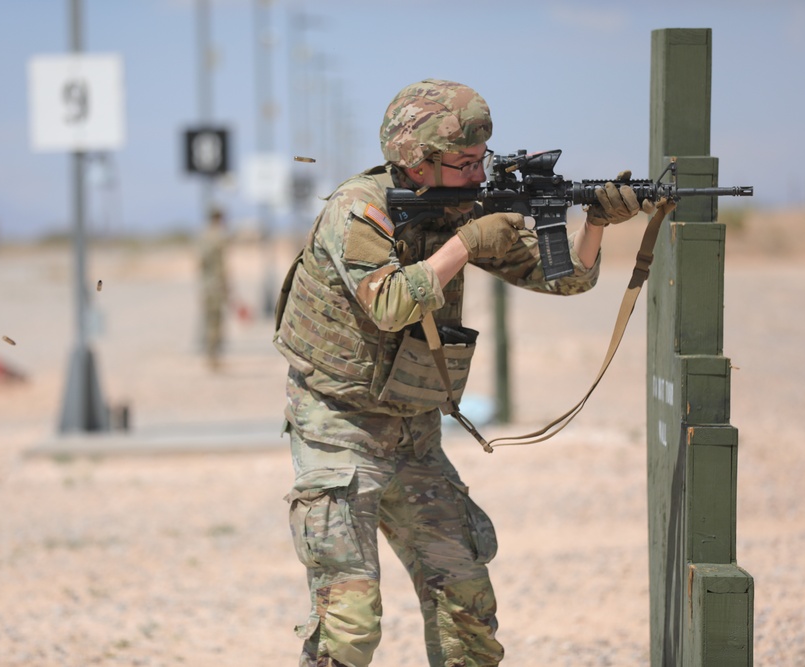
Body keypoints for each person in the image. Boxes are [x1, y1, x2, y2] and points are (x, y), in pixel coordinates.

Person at [273, 79, 650, 667]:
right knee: (348, 626)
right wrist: (468, 243)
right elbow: (391, 303)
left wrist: (596, 221)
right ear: (415, 160)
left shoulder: (466, 206)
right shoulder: (359, 210)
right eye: (464, 163)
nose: (478, 176)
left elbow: (567, 277)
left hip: (414, 433)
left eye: (482, 161)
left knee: (466, 600)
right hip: (338, 431)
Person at [200, 206, 229, 371]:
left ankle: (211, 356)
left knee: (208, 320)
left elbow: (200, 264)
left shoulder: (203, 236)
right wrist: (227, 287)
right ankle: (214, 358)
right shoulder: (219, 237)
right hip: (217, 285)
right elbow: (222, 267)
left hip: (206, 285)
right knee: (216, 322)